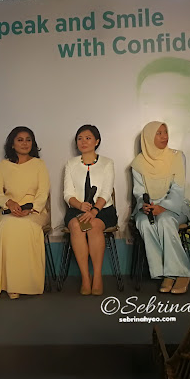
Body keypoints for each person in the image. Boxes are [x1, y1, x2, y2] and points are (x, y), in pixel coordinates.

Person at [0, 127, 50, 299]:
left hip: (35, 210)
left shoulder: (39, 165)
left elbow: (43, 193)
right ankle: (11, 284)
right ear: (12, 144)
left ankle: (29, 283)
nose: (24, 143)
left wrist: (31, 208)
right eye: (20, 140)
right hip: (9, 210)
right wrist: (9, 203)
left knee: (26, 226)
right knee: (9, 225)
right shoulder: (3, 165)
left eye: (28, 139)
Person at [132, 121, 190, 294]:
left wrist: (163, 207)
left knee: (165, 221)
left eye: (165, 132)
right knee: (144, 223)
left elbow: (178, 189)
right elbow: (139, 192)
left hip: (175, 205)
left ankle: (181, 273)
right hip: (149, 206)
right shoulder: (138, 163)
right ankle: (167, 274)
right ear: (148, 137)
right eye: (158, 133)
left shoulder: (177, 156)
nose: (164, 136)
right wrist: (145, 205)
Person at [63, 124, 117, 296]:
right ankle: (85, 278)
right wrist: (80, 205)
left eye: (88, 138)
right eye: (80, 138)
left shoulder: (107, 163)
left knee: (93, 226)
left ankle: (97, 276)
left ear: (97, 141)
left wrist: (93, 211)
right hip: (77, 209)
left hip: (103, 210)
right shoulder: (71, 164)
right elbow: (67, 194)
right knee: (77, 226)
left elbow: (106, 192)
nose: (83, 142)